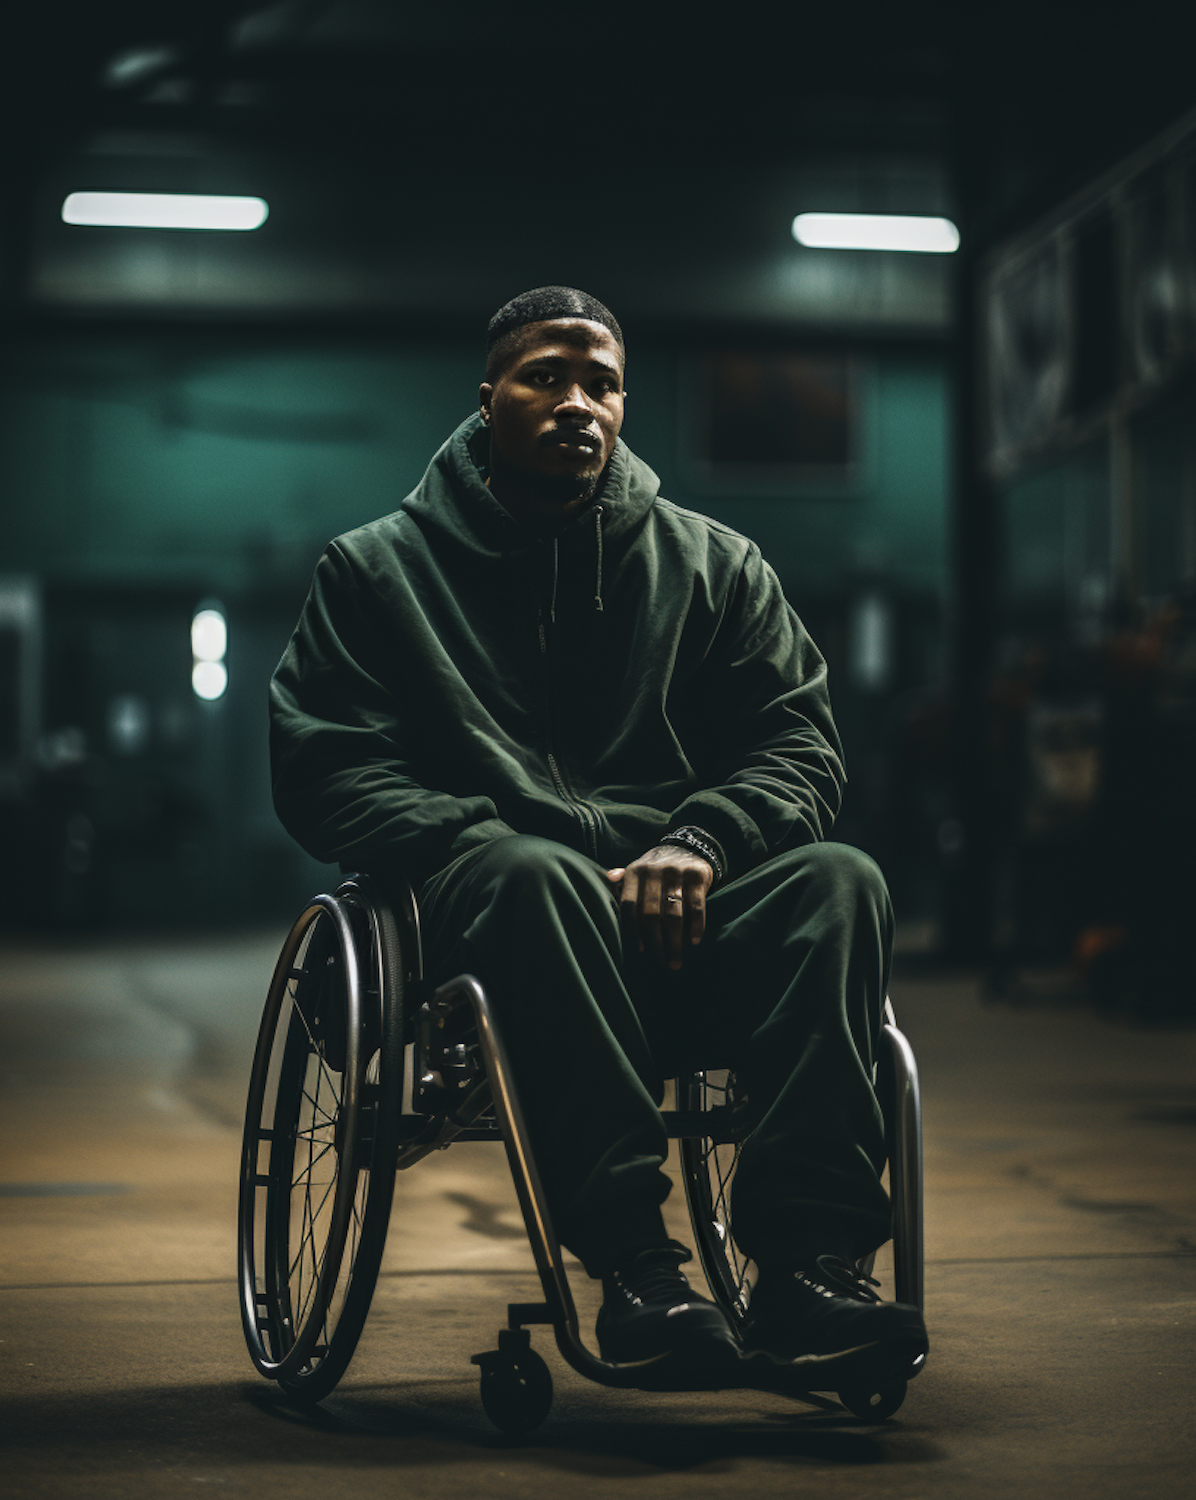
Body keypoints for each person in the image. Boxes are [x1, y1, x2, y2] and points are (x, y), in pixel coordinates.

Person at [270, 286, 927, 1384]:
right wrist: (475, 834)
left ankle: (810, 1268)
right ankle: (636, 1266)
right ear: (488, 402)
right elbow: (327, 764)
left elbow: (799, 746)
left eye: (603, 385)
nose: (578, 403)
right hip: (493, 918)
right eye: (546, 378)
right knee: (538, 876)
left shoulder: (716, 567)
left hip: (678, 912)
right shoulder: (376, 572)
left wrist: (703, 841)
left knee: (839, 881)